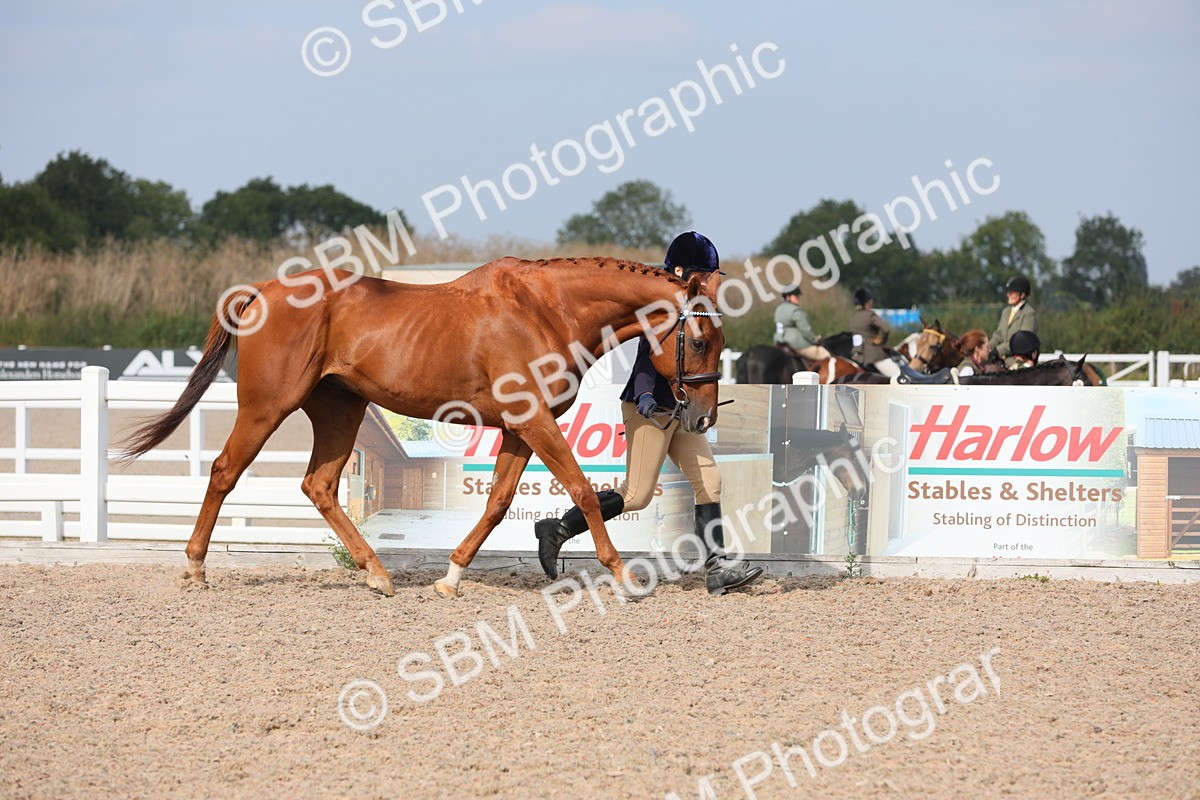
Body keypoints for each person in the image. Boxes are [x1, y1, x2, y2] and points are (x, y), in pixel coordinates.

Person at [533, 231, 763, 596]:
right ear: (680, 271)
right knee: (637, 495)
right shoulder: (661, 308)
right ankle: (558, 529)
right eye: (702, 274)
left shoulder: (698, 310)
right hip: (650, 408)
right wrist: (643, 394)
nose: (706, 282)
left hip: (682, 408)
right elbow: (646, 356)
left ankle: (717, 567)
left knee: (710, 482)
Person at [847, 288, 899, 378]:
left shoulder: (853, 318)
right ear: (867, 302)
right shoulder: (870, 315)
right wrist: (882, 340)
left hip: (857, 355)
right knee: (898, 377)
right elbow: (886, 329)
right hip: (873, 355)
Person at [989, 275, 1038, 368]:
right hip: (1000, 356)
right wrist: (987, 348)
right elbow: (998, 335)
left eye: (1012, 293)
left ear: (1022, 295)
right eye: (1008, 292)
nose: (1008, 295)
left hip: (1018, 359)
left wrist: (997, 350)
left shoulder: (1029, 314)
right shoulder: (1006, 312)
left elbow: (1021, 342)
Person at [774, 285, 831, 361]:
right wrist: (815, 340)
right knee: (827, 357)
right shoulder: (796, 311)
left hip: (779, 342)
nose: (798, 298)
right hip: (796, 344)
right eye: (795, 295)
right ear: (788, 297)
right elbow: (805, 330)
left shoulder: (779, 309)